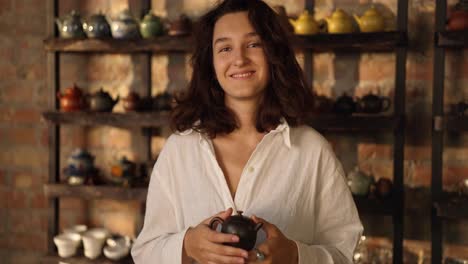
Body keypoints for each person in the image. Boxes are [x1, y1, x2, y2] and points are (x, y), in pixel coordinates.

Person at [131, 0, 363, 263]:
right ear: (211, 63)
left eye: (253, 44)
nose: (239, 59)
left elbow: (344, 252)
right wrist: (186, 246)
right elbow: (145, 251)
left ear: (274, 53)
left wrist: (297, 255)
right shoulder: (179, 149)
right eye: (225, 48)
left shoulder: (312, 150)